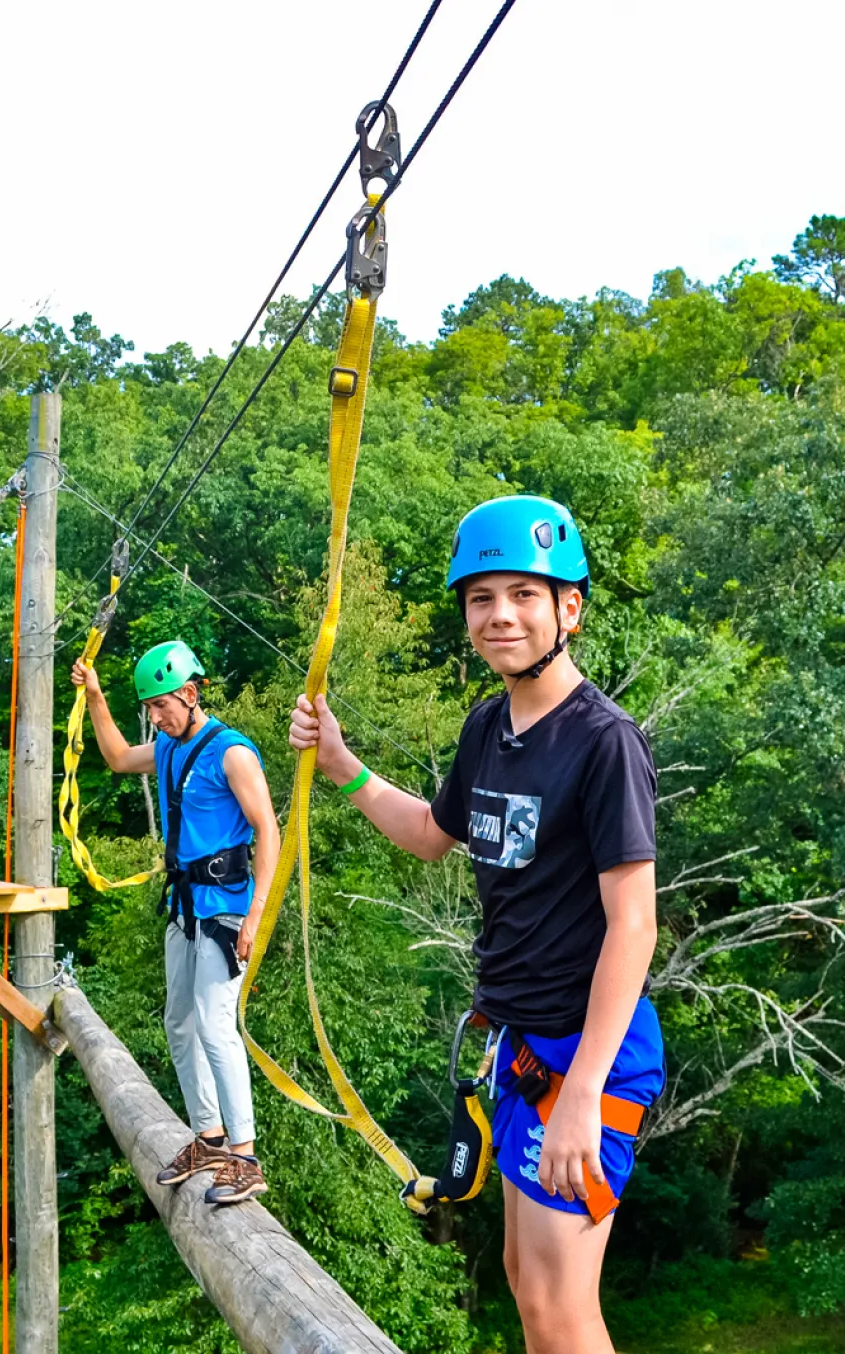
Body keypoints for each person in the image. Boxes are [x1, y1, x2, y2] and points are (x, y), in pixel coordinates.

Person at [289, 495, 663, 1353]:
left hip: (587, 1055)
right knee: (530, 1291)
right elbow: (431, 835)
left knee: (564, 1310)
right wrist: (344, 767)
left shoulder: (604, 742)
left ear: (570, 608)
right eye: (481, 597)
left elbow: (633, 928)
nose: (501, 616)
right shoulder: (488, 727)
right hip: (525, 1047)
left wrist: (578, 1100)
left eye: (526, 595)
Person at [72, 639, 280, 1205]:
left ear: (190, 694)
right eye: (150, 710)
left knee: (215, 1024)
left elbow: (269, 831)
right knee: (179, 1023)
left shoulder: (232, 753)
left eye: (162, 706)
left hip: (226, 909)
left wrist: (255, 917)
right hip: (185, 907)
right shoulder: (166, 747)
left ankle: (245, 1156)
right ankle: (208, 1138)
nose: (157, 719)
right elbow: (117, 759)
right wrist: (95, 698)